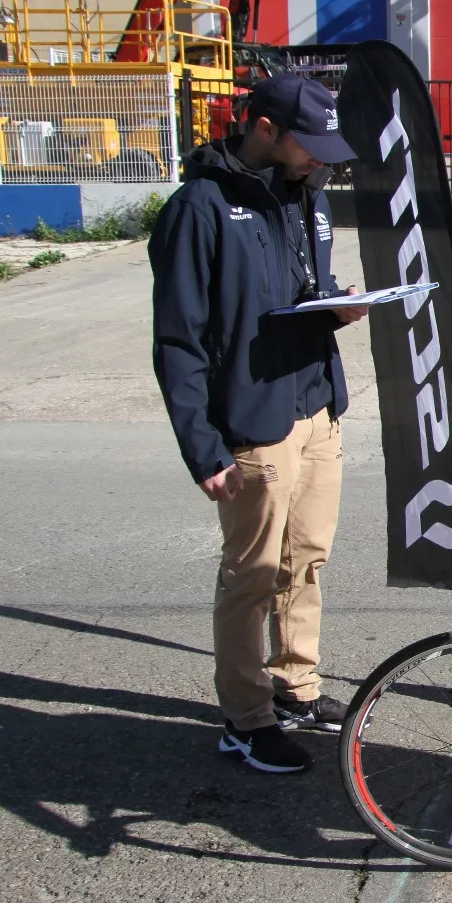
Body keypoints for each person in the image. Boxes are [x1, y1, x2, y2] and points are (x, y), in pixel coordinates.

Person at [149, 74, 370, 775]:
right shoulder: (200, 208)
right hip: (253, 423)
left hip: (316, 407)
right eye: (311, 145)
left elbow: (302, 293)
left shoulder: (307, 193)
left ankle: (295, 685)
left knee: (306, 560)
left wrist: (337, 306)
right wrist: (203, 448)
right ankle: (246, 719)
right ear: (265, 128)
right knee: (252, 576)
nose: (322, 161)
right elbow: (178, 340)